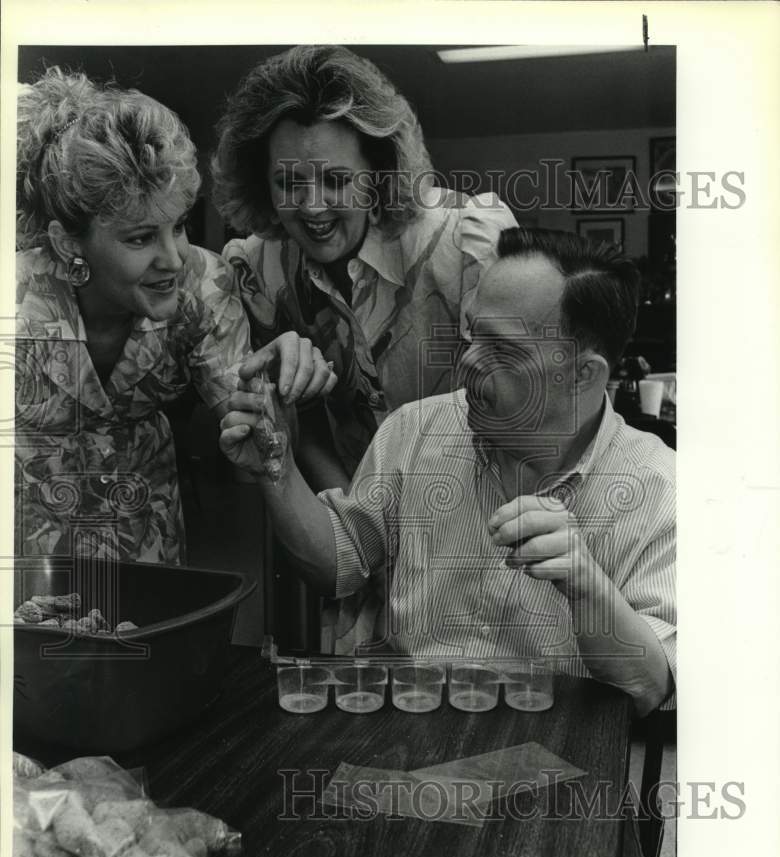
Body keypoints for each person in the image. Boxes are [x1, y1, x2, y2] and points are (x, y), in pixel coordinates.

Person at [220, 228, 676, 716]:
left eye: (502, 351)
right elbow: (339, 565)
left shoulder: (659, 490)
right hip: (412, 736)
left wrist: (589, 586)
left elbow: (653, 687)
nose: (469, 364)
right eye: (472, 335)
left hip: (563, 763)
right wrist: (276, 464)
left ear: (584, 374)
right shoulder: (418, 431)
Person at [15, 67, 334, 564]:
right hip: (23, 545)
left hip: (146, 539)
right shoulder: (14, 300)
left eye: (179, 226)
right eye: (140, 238)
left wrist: (271, 393)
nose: (175, 258)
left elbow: (253, 451)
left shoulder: (205, 286)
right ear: (66, 243)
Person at [212, 44, 517, 491]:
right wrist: (357, 526)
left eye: (336, 181)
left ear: (378, 175)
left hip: (478, 511)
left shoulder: (463, 243)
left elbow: (521, 408)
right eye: (289, 183)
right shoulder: (260, 267)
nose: (312, 207)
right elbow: (305, 430)